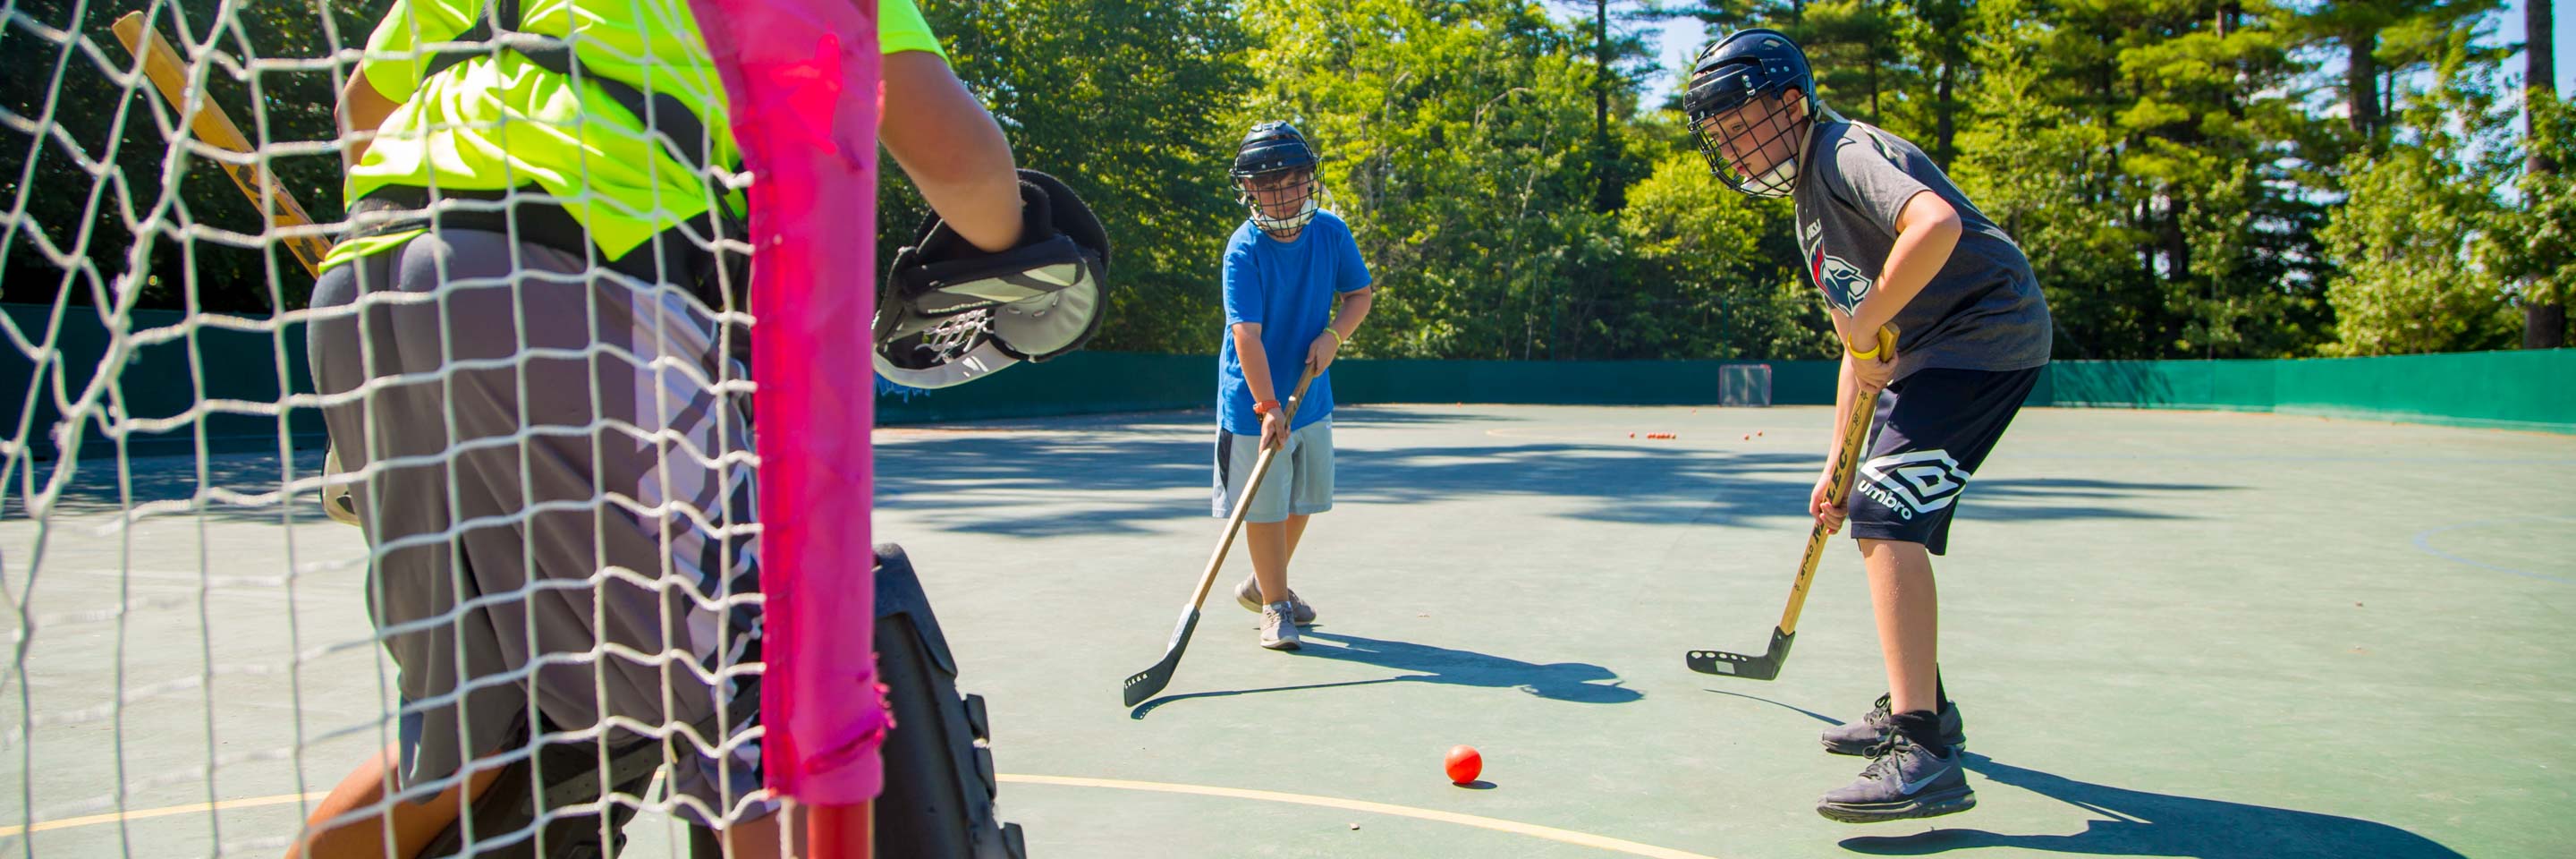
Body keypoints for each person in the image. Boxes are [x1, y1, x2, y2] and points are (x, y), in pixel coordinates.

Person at [292, 0, 1045, 855]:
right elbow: (962, 167)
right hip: (579, 264)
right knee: (763, 695)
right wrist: (1027, 245)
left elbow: (364, 107)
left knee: (474, 736)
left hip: (367, 282)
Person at [1682, 29, 2052, 824]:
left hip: (1987, 335)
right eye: (1721, 136)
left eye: (1742, 125)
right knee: (1872, 503)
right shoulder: (1808, 208)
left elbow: (1937, 227)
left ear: (1790, 104)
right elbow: (1863, 345)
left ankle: (1924, 752)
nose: (1735, 148)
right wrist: (1834, 466)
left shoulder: (1845, 152)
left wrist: (1872, 318)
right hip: (1928, 351)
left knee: (1890, 514)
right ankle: (1929, 705)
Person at [1211, 121, 1375, 651]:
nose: (1280, 195)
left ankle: (1263, 584)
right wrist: (1266, 405)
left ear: (1310, 181)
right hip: (1252, 400)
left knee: (1303, 499)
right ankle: (1275, 609)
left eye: (1290, 181)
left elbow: (1359, 296)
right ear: (1249, 189)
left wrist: (1334, 334)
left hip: (1311, 395)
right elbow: (1246, 335)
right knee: (1264, 506)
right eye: (1267, 185)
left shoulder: (1331, 232)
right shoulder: (1244, 249)